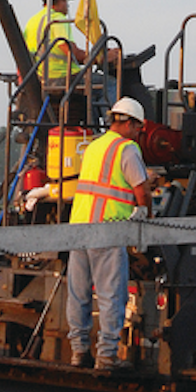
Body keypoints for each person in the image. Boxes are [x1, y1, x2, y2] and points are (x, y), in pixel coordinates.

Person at [66, 98, 150, 372]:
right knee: (111, 295)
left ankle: (79, 353)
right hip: (107, 229)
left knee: (78, 294)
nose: (138, 133)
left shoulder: (95, 145)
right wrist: (145, 215)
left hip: (79, 228)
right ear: (128, 123)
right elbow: (141, 191)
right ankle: (107, 356)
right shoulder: (128, 148)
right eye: (137, 127)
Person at [24, 0, 87, 89]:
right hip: (63, 77)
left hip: (39, 77)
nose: (67, 6)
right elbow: (72, 53)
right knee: (109, 84)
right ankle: (111, 107)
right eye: (65, 1)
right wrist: (100, 57)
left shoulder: (32, 21)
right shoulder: (58, 20)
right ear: (57, 0)